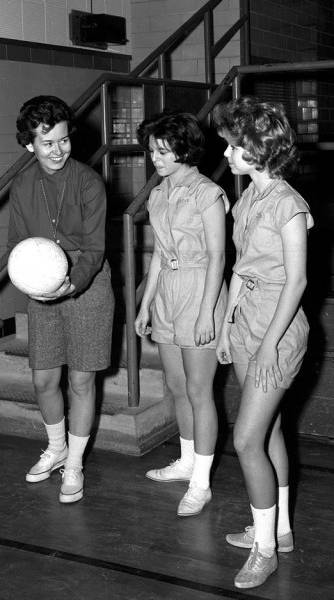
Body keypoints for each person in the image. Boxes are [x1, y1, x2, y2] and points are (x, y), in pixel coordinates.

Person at [212, 96, 313, 589]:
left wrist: (271, 344)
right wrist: (227, 323)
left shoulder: (290, 206)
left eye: (232, 147)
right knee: (268, 432)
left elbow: (296, 283)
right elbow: (240, 269)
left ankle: (265, 550)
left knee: (246, 439)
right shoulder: (247, 197)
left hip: (279, 327)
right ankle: (282, 529)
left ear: (255, 149)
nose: (226, 154)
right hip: (247, 321)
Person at [7, 95, 114, 504]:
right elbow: (17, 243)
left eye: (64, 141)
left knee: (81, 379)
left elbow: (95, 248)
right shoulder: (22, 185)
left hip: (86, 284)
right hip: (42, 284)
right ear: (29, 144)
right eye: (47, 143)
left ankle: (75, 463)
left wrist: (75, 282)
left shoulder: (87, 181)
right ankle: (56, 448)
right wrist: (30, 281)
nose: (58, 151)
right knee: (43, 378)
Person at [135, 111, 229, 517]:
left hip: (199, 290)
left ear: (184, 148)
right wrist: (144, 303)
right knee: (176, 386)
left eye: (162, 150)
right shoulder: (158, 193)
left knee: (198, 390)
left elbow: (217, 256)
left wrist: (208, 311)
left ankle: (201, 482)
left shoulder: (207, 193)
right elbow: (158, 254)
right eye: (151, 150)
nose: (155, 157)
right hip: (169, 294)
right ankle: (186, 460)